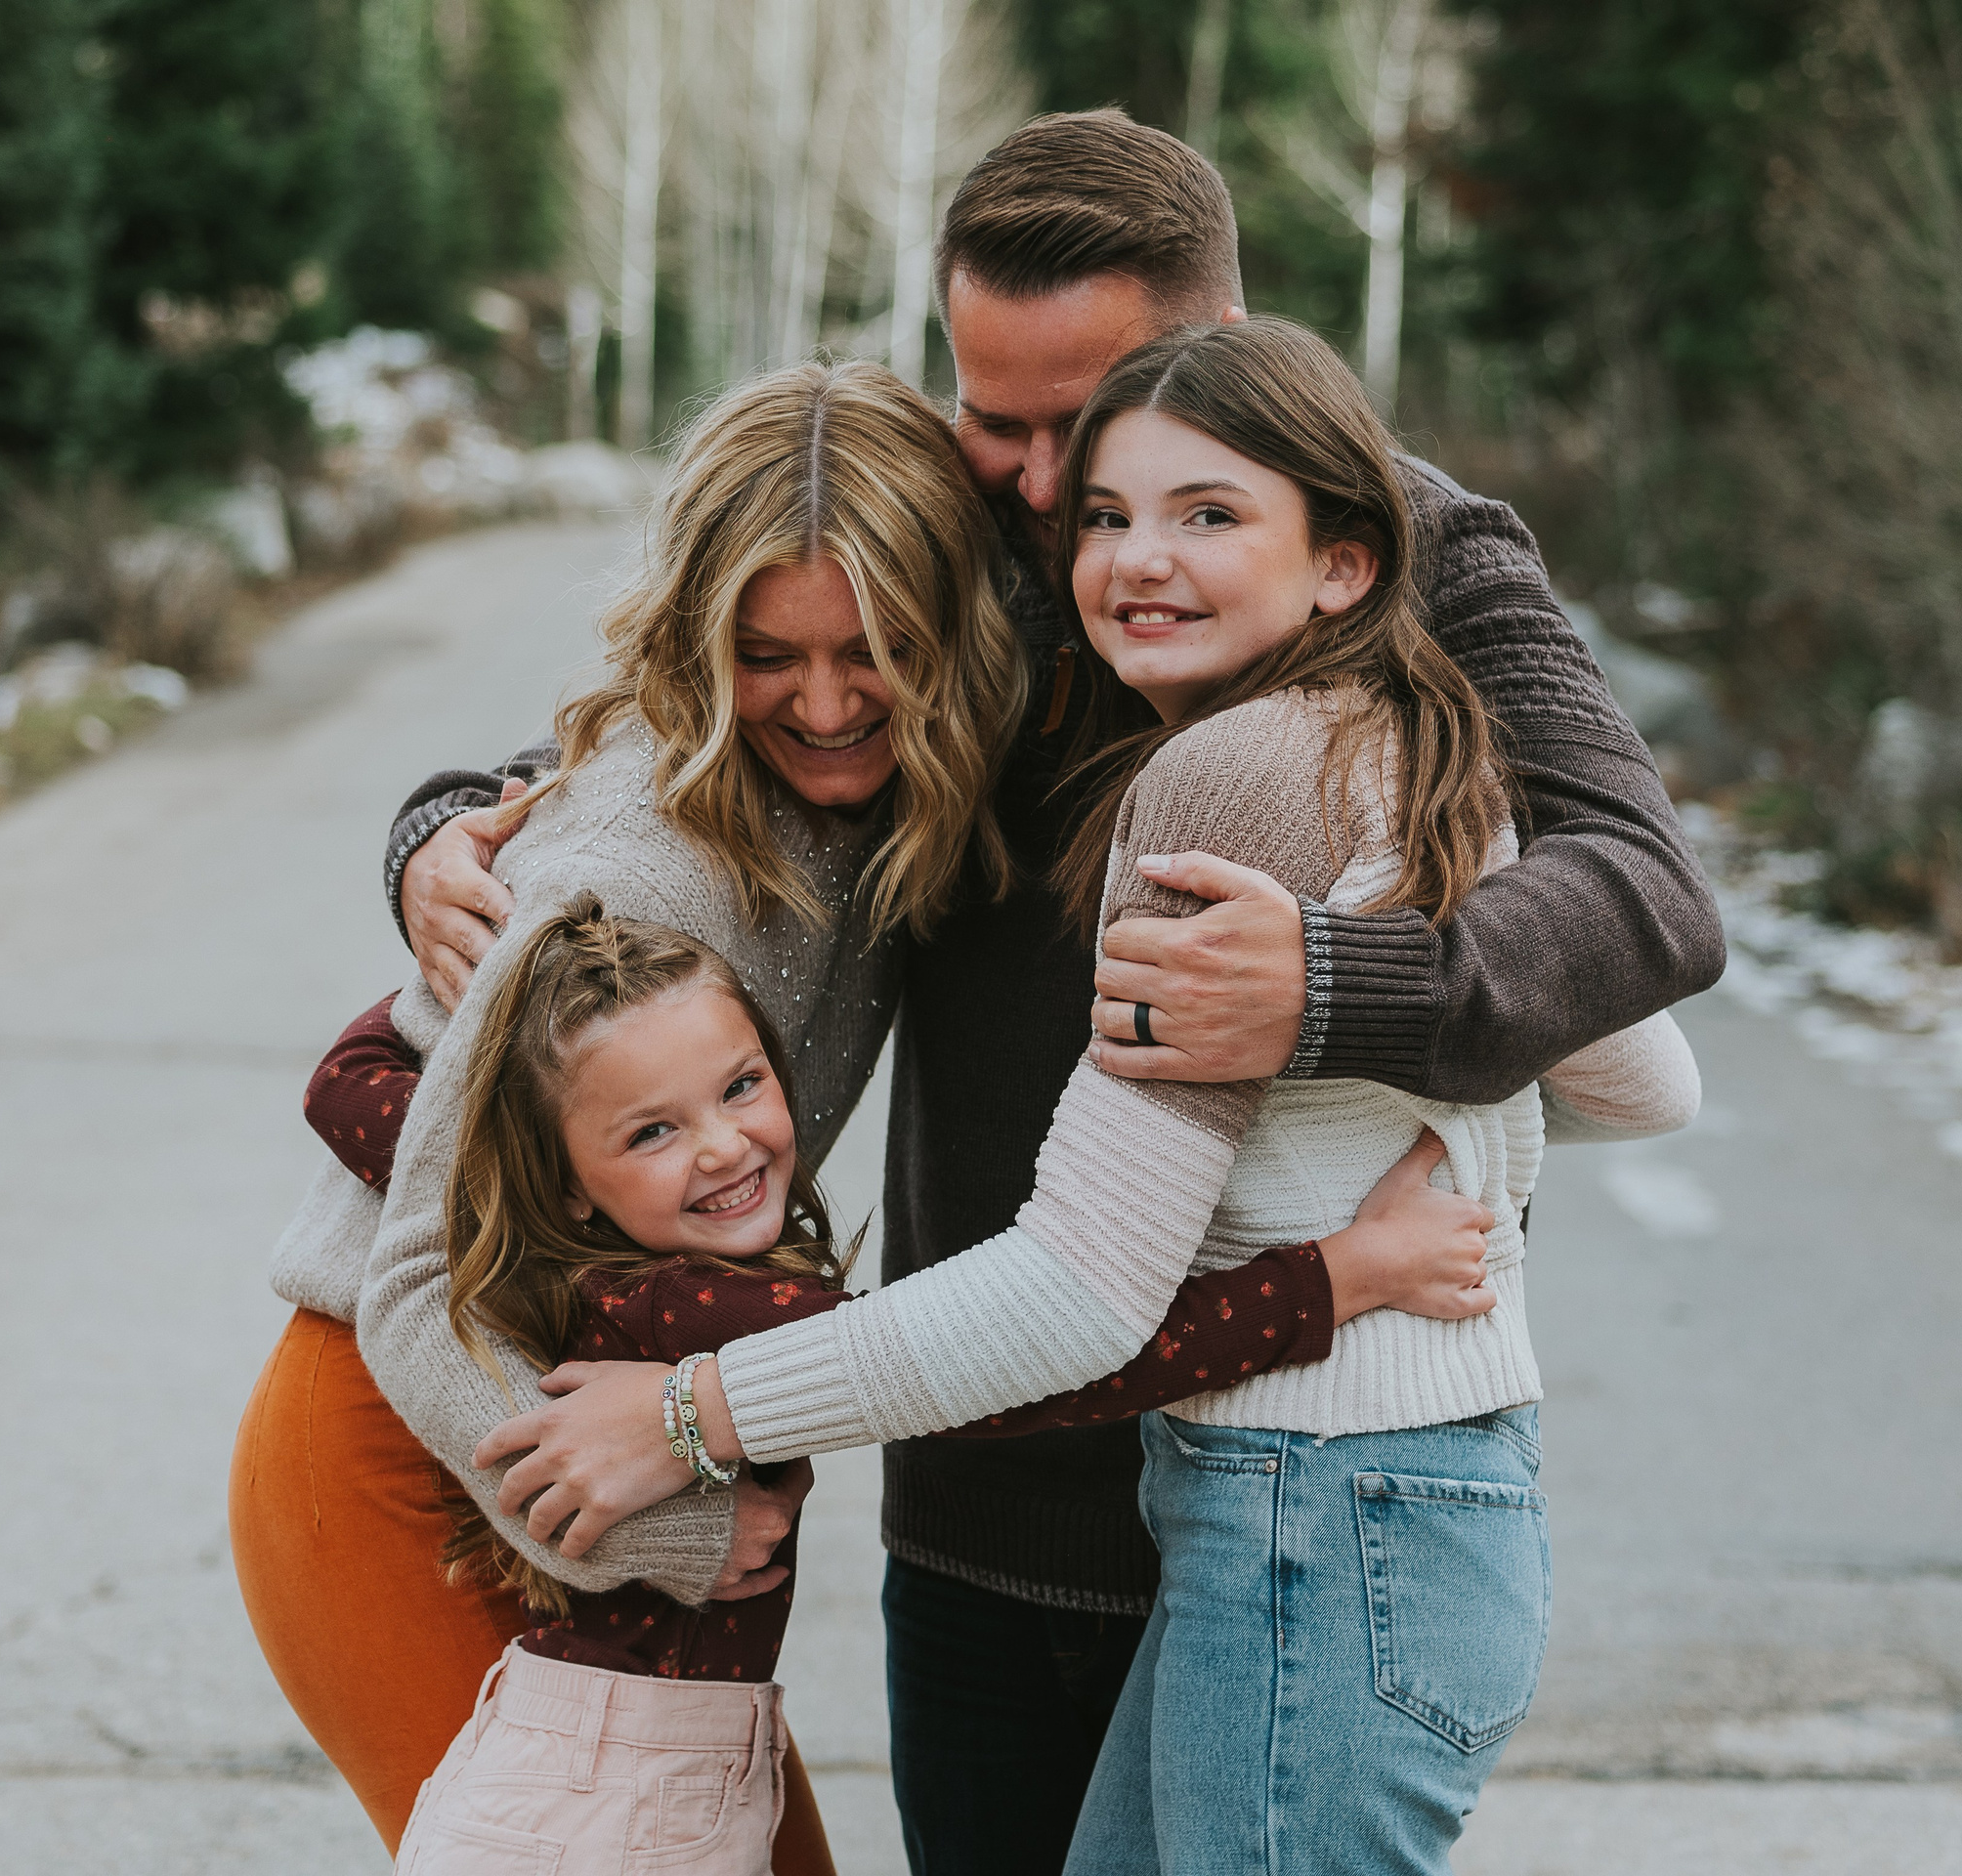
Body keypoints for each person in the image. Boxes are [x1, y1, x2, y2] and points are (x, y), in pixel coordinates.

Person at [390, 109, 1725, 1876]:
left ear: (1223, 366)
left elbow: (1645, 904)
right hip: (993, 1492)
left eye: (1079, 429)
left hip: (1274, 1477)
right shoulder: (1009, 527)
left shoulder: (1414, 562)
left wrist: (1326, 986)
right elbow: (726, 708)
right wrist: (437, 833)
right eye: (992, 418)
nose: (1029, 487)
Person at [234, 352, 1481, 1859]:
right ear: (703, 638)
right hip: (415, 1442)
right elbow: (421, 1267)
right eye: (768, 656)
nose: (825, 705)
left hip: (617, 1420)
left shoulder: (906, 791)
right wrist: (669, 1521)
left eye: (874, 648)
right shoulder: (636, 874)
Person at [329, 901, 1498, 1873]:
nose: (725, 1147)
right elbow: (1023, 1372)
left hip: (585, 1757)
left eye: (740, 1086)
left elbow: (352, 1083)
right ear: (566, 1180)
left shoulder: (585, 1258)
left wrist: (507, 917)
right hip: (625, 1791)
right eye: (651, 1132)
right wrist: (1334, 1277)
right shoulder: (690, 1307)